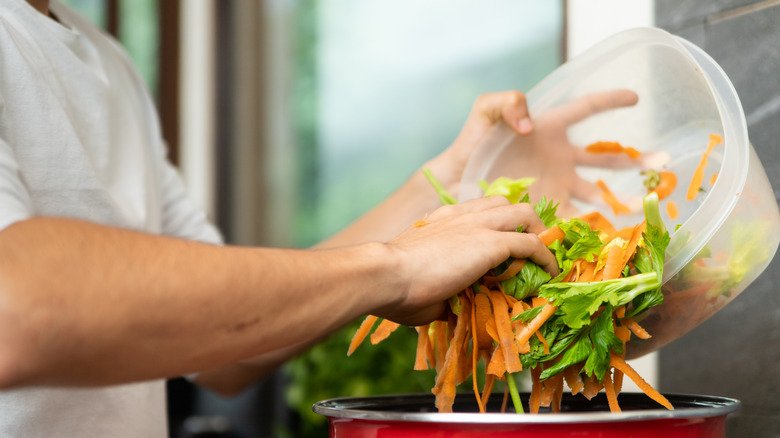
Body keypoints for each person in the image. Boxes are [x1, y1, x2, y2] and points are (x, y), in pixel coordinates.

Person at [0, 0, 638, 436]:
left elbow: (226, 345)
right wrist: (394, 268)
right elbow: (17, 310)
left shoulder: (107, 61)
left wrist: (451, 181)